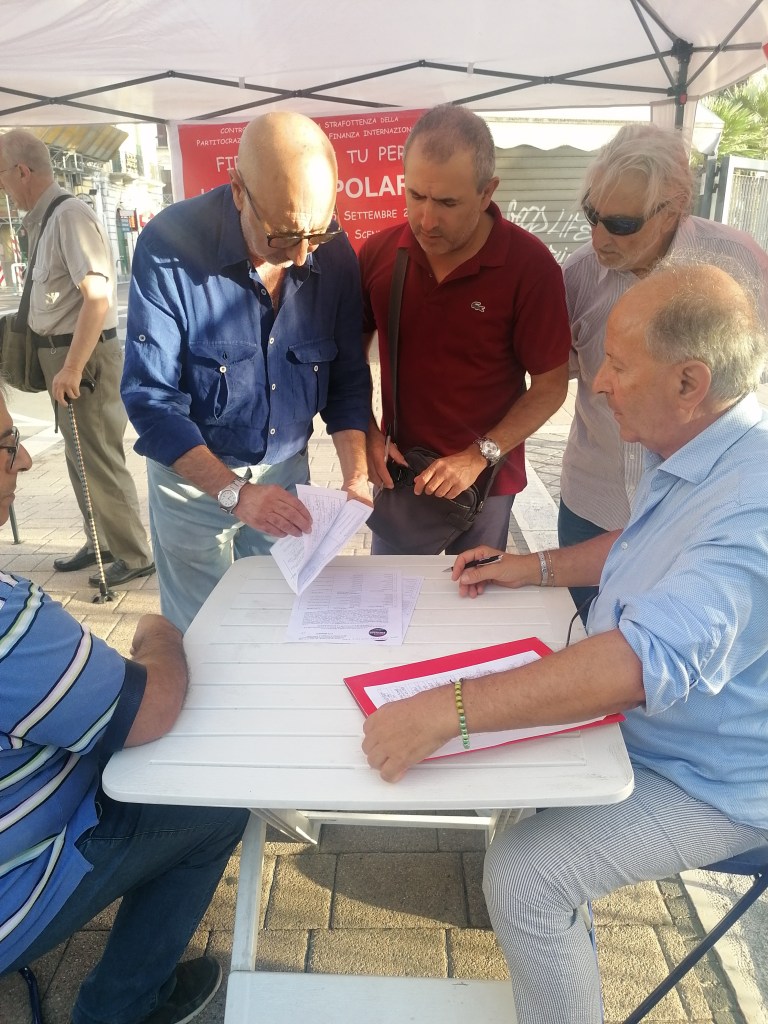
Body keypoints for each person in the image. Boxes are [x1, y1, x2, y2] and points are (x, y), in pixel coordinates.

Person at [361, 261, 768, 1024]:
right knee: (509, 768)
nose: (600, 383)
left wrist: (446, 710)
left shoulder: (754, 507)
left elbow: (640, 665)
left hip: (712, 778)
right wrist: (535, 568)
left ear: (690, 382)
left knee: (525, 877)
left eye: (618, 364)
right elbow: (644, 542)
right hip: (651, 730)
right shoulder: (702, 448)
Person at [0, 379, 249, 1024]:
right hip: (10, 895)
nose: (23, 460)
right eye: (6, 444)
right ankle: (121, 1008)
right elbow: (151, 707)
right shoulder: (8, 621)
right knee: (216, 808)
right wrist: (157, 632)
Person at [121, 112, 371, 632]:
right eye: (282, 236)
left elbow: (348, 380)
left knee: (279, 619)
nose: (301, 258)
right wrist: (235, 492)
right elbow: (151, 399)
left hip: (286, 472)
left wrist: (356, 476)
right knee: (200, 630)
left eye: (315, 235)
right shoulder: (170, 245)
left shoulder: (334, 253)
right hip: (192, 479)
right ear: (238, 190)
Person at [560, 122, 768, 619]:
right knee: (588, 632)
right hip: (595, 501)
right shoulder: (578, 274)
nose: (598, 237)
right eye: (591, 215)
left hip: (699, 510)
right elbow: (557, 375)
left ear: (674, 208)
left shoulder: (738, 263)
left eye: (621, 223)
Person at [359, 104, 571, 555]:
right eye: (415, 195)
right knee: (389, 597)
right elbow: (347, 362)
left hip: (486, 485)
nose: (426, 220)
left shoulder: (530, 267)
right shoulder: (379, 255)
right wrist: (367, 431)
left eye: (447, 203)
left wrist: (479, 455)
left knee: (470, 597)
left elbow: (551, 386)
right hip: (401, 479)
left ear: (487, 191)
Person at [0, 129, 155, 588]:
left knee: (98, 458)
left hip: (81, 359)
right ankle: (101, 541)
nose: (2, 187)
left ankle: (133, 553)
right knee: (79, 456)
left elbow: (98, 296)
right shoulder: (47, 217)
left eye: (2, 176)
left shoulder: (68, 215)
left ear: (22, 171)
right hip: (66, 357)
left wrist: (70, 366)